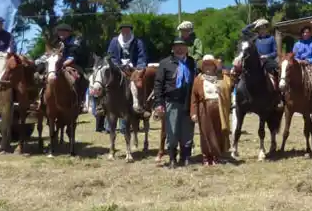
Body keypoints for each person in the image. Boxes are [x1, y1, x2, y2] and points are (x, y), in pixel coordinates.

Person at [153, 38, 197, 168]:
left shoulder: (191, 62)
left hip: (188, 101)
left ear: (187, 48)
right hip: (171, 101)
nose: (180, 48)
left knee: (187, 131)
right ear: (172, 48)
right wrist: (159, 103)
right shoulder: (165, 63)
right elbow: (158, 84)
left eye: (182, 46)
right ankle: (172, 157)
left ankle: (186, 157)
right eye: (177, 46)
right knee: (172, 132)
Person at [100, 22, 148, 134]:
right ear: (120, 31)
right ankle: (101, 106)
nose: (125, 32)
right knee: (104, 81)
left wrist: (137, 66)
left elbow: (142, 56)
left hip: (133, 68)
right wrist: (117, 65)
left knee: (137, 84)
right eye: (123, 30)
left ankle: (138, 106)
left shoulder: (138, 42)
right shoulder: (114, 41)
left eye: (127, 30)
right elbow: (110, 55)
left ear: (131, 30)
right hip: (117, 68)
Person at [36, 24, 89, 114]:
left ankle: (81, 102)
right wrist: (38, 61)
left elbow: (72, 57)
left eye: (64, 31)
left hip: (72, 63)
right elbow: (48, 53)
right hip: (55, 63)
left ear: (69, 32)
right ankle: (40, 100)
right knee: (39, 74)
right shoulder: (56, 41)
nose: (61, 33)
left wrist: (60, 64)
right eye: (60, 31)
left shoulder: (75, 41)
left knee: (84, 78)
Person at [190, 55, 233, 166]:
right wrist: (193, 113)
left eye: (210, 65)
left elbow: (230, 86)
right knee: (205, 133)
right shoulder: (198, 79)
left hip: (218, 107)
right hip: (204, 107)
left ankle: (216, 156)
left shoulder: (221, 78)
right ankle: (206, 157)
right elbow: (193, 98)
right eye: (205, 65)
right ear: (202, 67)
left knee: (218, 132)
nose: (208, 67)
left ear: (214, 66)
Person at [291, 25, 312, 115]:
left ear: (310, 33)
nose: (306, 34)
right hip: (298, 64)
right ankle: (286, 100)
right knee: (287, 75)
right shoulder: (297, 44)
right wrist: (298, 61)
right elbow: (293, 56)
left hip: (311, 64)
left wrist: (307, 61)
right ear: (301, 34)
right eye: (304, 32)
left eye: (307, 32)